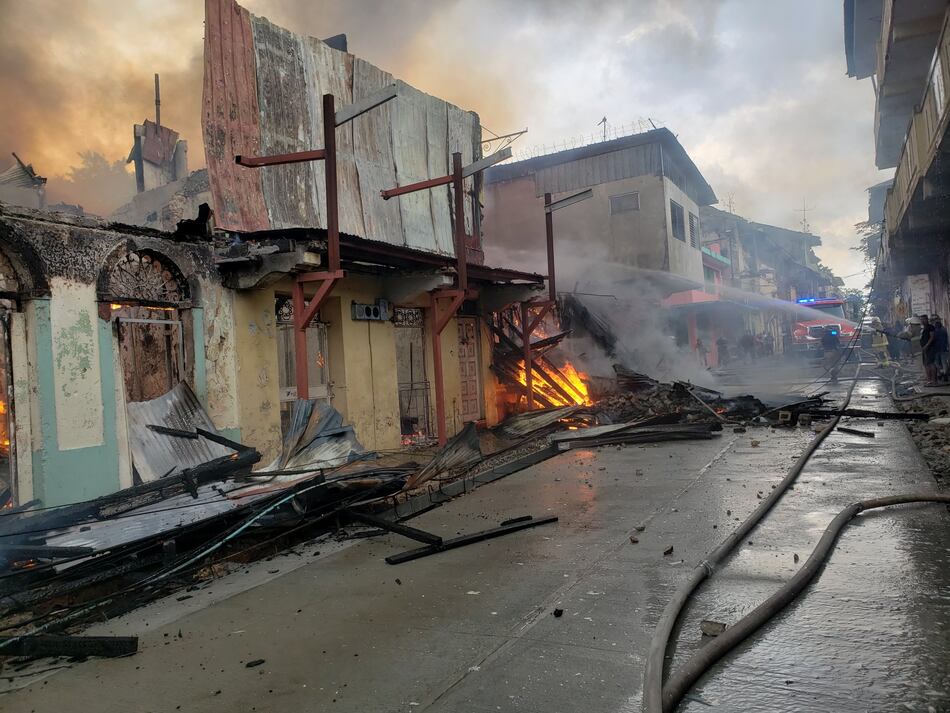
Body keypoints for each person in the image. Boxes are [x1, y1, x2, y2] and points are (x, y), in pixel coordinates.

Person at [919, 314, 937, 385]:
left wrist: (926, 345)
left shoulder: (930, 327)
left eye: (923, 319)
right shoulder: (923, 328)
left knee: (931, 364)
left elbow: (932, 337)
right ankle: (929, 380)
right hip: (924, 349)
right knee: (926, 364)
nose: (922, 321)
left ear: (926, 320)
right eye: (921, 319)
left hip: (930, 348)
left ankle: (934, 380)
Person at [933, 315, 949, 382]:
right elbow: (946, 339)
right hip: (942, 349)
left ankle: (941, 374)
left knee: (938, 363)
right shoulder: (944, 330)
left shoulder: (936, 331)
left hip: (938, 349)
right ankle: (944, 374)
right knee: (943, 363)